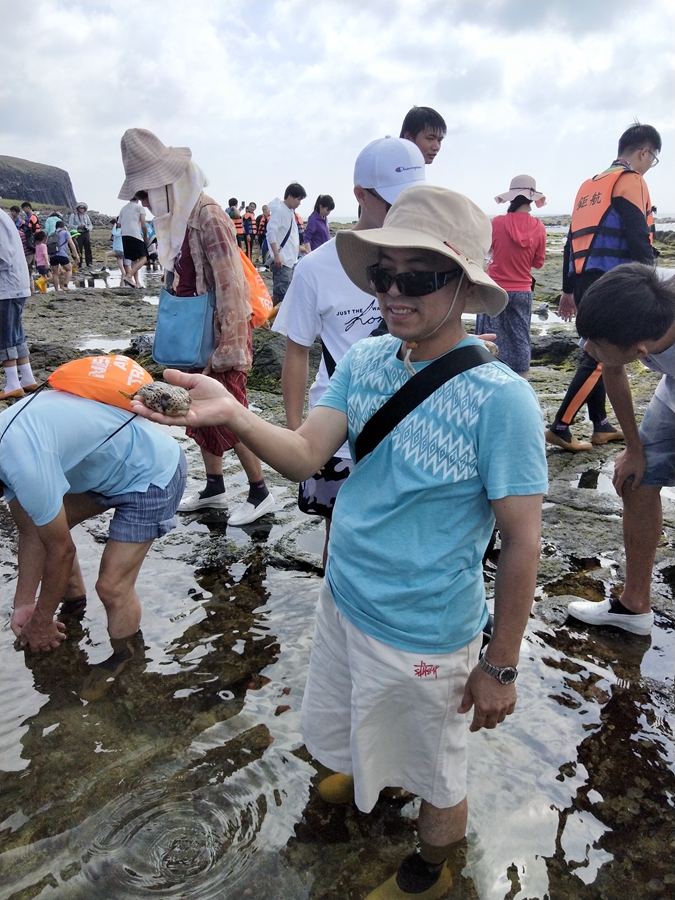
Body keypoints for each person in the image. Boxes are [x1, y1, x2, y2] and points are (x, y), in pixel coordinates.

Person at [131, 184, 548, 899]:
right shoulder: (364, 363)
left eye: (415, 277)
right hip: (345, 597)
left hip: (424, 629)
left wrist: (499, 667)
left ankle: (428, 872)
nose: (391, 293)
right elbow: (300, 454)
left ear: (462, 286)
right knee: (354, 719)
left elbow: (522, 543)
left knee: (437, 772)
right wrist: (234, 412)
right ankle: (366, 769)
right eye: (382, 274)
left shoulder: (501, 399)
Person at [273, 137, 425, 566]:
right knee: (337, 539)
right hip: (337, 431)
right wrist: (295, 432)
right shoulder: (316, 268)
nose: (404, 212)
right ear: (360, 196)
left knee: (403, 542)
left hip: (412, 424)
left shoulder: (425, 260)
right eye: (394, 202)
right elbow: (297, 350)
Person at [118, 127, 273, 526]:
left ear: (167, 183)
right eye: (139, 198)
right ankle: (215, 487)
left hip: (220, 339)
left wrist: (227, 353)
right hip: (192, 339)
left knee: (229, 414)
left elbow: (232, 288)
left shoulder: (208, 216)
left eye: (144, 194)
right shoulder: (177, 220)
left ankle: (260, 492)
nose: (144, 204)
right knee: (197, 414)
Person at [0, 389, 187, 696]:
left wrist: (42, 621)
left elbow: (62, 552)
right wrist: (24, 605)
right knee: (46, 526)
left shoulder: (23, 466)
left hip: (154, 473)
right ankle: (74, 606)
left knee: (112, 587)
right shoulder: (6, 446)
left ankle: (127, 659)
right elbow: (32, 531)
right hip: (109, 468)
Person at [567, 264, 674, 636]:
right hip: (670, 386)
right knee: (635, 478)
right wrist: (633, 448)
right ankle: (633, 606)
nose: (588, 349)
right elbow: (611, 368)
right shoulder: (638, 294)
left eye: (597, 344)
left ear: (642, 350)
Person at [546, 122, 661, 452]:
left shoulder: (588, 186)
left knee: (594, 351)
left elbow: (570, 242)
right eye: (652, 160)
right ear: (644, 152)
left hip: (584, 282)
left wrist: (568, 290)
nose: (649, 167)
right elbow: (640, 239)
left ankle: (600, 425)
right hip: (614, 284)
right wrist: (648, 286)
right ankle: (561, 426)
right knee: (602, 357)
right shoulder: (630, 181)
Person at [475, 175, 547, 376]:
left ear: (511, 197)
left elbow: (485, 252)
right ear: (531, 199)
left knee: (488, 337)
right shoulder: (539, 227)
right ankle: (521, 381)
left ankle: (487, 376)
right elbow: (538, 263)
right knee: (520, 339)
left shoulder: (497, 223)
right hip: (523, 290)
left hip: (494, 289)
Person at [0, 207, 39, 400]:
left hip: (7, 286)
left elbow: (4, 256)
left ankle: (13, 383)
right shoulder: (4, 216)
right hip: (16, 284)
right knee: (16, 333)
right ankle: (27, 378)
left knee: (5, 334)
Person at [266, 182, 307, 304]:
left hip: (290, 260)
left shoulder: (289, 212)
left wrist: (298, 248)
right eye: (298, 199)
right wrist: (276, 255)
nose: (299, 203)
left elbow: (287, 235)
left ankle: (268, 319)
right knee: (281, 295)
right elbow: (270, 233)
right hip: (282, 261)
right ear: (290, 196)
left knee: (286, 295)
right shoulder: (280, 211)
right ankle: (261, 318)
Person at [118, 194, 148, 288]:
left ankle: (137, 283)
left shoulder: (123, 209)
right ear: (138, 198)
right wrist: (146, 237)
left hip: (125, 235)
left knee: (134, 260)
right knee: (144, 258)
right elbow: (143, 224)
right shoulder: (140, 208)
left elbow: (119, 224)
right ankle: (129, 276)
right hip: (135, 235)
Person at [48, 220, 80, 292]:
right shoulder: (65, 233)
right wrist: (76, 254)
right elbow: (71, 244)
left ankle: (56, 289)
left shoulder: (51, 234)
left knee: (55, 273)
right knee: (69, 269)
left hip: (52, 255)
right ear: (63, 226)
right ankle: (65, 285)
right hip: (62, 254)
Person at [68, 202, 94, 267]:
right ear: (78, 208)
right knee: (79, 248)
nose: (82, 209)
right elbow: (70, 224)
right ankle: (79, 263)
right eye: (80, 208)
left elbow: (90, 224)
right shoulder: (73, 215)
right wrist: (77, 226)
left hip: (86, 232)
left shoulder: (86, 216)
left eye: (83, 208)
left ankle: (89, 262)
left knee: (88, 247)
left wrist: (88, 228)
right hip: (77, 233)